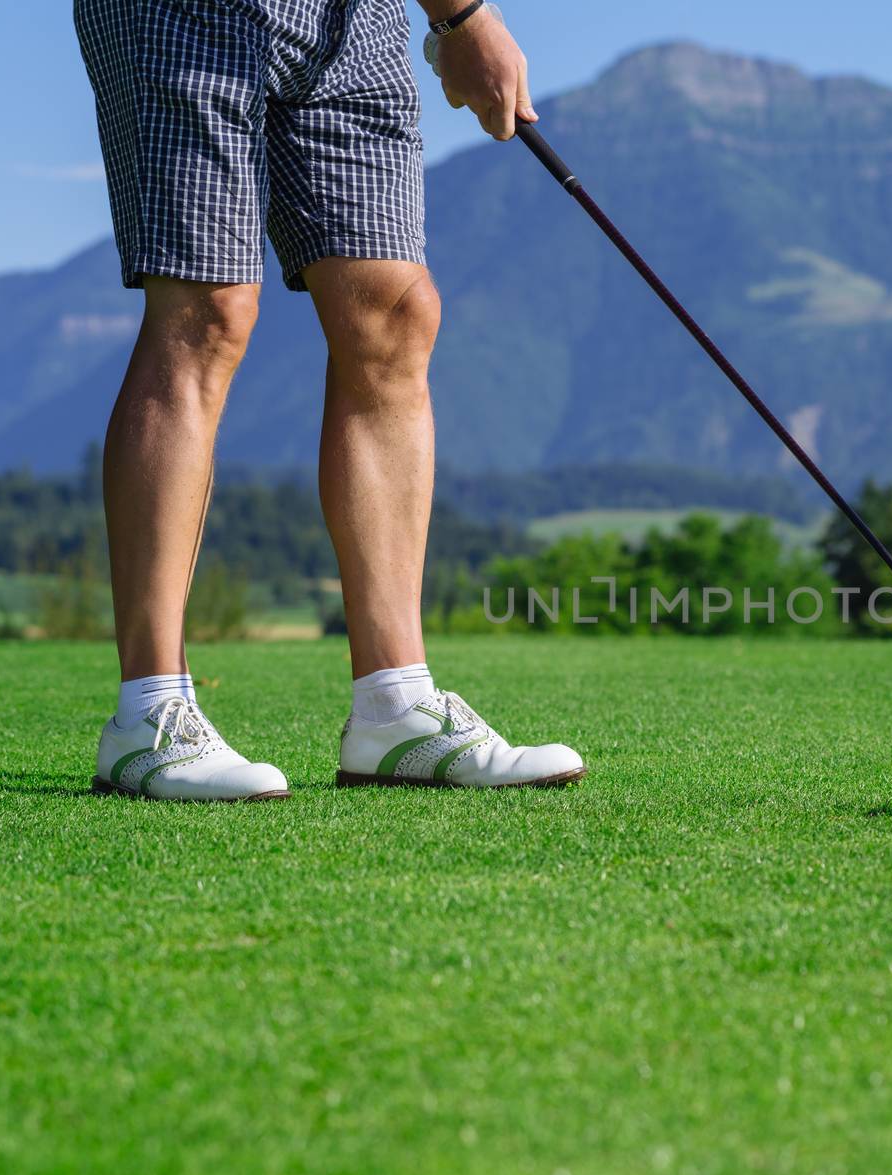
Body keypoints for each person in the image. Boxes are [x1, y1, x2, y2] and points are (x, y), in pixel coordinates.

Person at [74, 0, 584, 799]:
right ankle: (149, 713)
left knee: (393, 312)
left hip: (354, 18)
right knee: (207, 309)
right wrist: (463, 18)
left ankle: (394, 708)